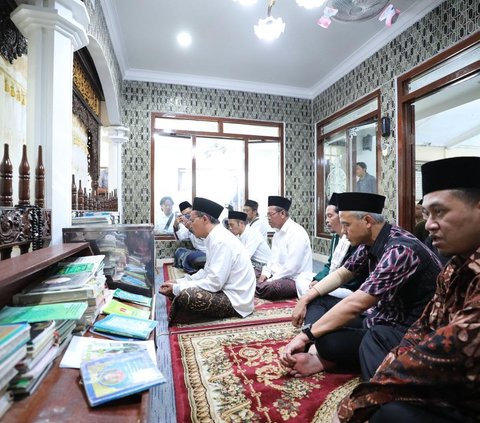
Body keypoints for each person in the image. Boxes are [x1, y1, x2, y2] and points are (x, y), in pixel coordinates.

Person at [334, 157, 480, 423]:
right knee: (375, 338)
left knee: (389, 413)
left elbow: (448, 351)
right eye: (427, 214)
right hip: (431, 355)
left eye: (440, 212)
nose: (430, 224)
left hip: (468, 386)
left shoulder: (401, 247)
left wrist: (360, 401)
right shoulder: (454, 266)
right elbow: (423, 329)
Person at [280, 192, 441, 383]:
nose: (343, 230)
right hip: (380, 316)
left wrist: (306, 336)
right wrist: (306, 298)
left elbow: (357, 304)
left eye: (347, 224)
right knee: (318, 301)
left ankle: (322, 356)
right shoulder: (371, 242)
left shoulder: (400, 249)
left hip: (403, 329)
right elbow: (342, 273)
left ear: (367, 221)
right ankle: (320, 349)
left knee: (328, 342)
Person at [159, 197, 256, 324]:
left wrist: (178, 288)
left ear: (205, 219)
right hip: (224, 289)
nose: (190, 224)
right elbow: (206, 272)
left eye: (192, 220)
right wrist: (180, 281)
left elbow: (214, 283)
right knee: (182, 290)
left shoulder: (221, 240)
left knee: (185, 295)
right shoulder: (213, 237)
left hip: (236, 299)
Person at [295, 192, 368, 320]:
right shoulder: (336, 238)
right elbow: (331, 265)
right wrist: (318, 279)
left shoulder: (358, 240)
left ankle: (313, 306)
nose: (327, 221)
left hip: (348, 288)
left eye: (330, 216)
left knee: (316, 295)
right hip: (335, 280)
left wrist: (322, 285)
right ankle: (312, 304)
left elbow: (353, 277)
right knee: (302, 278)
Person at [256, 195, 312, 300]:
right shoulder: (277, 234)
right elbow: (272, 260)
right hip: (277, 275)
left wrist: (271, 280)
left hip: (293, 279)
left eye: (270, 215)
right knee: (252, 273)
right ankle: (257, 286)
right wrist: (266, 273)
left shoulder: (296, 232)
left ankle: (256, 288)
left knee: (271, 288)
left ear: (282, 214)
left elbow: (292, 267)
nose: (268, 218)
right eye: (267, 215)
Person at [173, 201, 207, 274]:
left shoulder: (200, 221)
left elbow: (201, 235)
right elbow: (181, 239)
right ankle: (192, 265)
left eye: (189, 213)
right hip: (197, 251)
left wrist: (190, 227)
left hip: (206, 253)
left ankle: (190, 268)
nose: (188, 216)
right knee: (179, 251)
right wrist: (175, 226)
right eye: (185, 215)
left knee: (192, 257)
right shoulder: (187, 224)